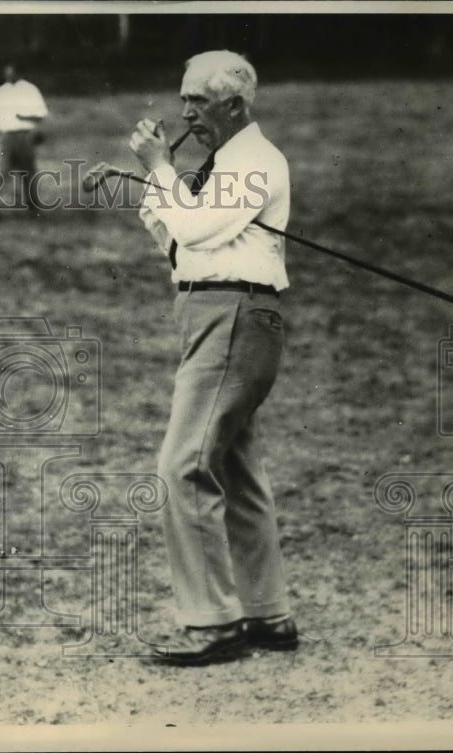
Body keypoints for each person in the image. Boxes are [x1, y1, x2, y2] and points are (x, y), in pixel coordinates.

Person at [129, 50, 298, 665]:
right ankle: (266, 614)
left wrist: (158, 167)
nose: (184, 112)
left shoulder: (256, 161)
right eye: (183, 100)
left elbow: (197, 230)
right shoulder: (221, 164)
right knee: (233, 468)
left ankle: (215, 625)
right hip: (212, 316)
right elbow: (171, 236)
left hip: (234, 317)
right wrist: (157, 175)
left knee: (181, 467)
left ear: (234, 104)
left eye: (196, 101)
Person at [0, 62, 48, 212]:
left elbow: (41, 115)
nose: (9, 76)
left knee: (28, 171)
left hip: (24, 135)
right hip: (6, 136)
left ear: (18, 73)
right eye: (6, 73)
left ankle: (33, 203)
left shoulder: (30, 90)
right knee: (3, 170)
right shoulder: (1, 91)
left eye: (11, 72)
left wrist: (24, 116)